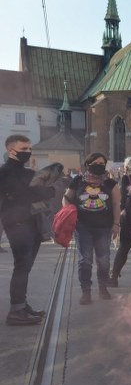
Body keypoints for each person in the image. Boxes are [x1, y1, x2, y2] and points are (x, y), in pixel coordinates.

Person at [0, 135, 56, 325]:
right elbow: (25, 194)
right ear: (11, 151)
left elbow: (48, 191)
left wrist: (41, 189)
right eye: (24, 149)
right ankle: (16, 311)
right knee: (22, 265)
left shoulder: (27, 172)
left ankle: (21, 305)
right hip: (17, 224)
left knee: (26, 266)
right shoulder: (4, 172)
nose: (28, 152)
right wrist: (40, 190)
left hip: (32, 223)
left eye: (30, 149)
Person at [65, 153, 120, 305]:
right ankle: (86, 291)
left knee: (103, 260)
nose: (99, 165)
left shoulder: (110, 183)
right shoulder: (78, 180)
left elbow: (116, 204)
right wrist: (68, 213)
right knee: (85, 260)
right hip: (83, 227)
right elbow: (67, 198)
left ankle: (103, 288)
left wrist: (116, 224)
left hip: (104, 227)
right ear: (88, 164)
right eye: (96, 163)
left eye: (102, 163)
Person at [109, 157, 131, 287]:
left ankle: (114, 278)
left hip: (130, 219)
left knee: (124, 248)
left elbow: (123, 199)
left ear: (127, 167)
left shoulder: (126, 179)